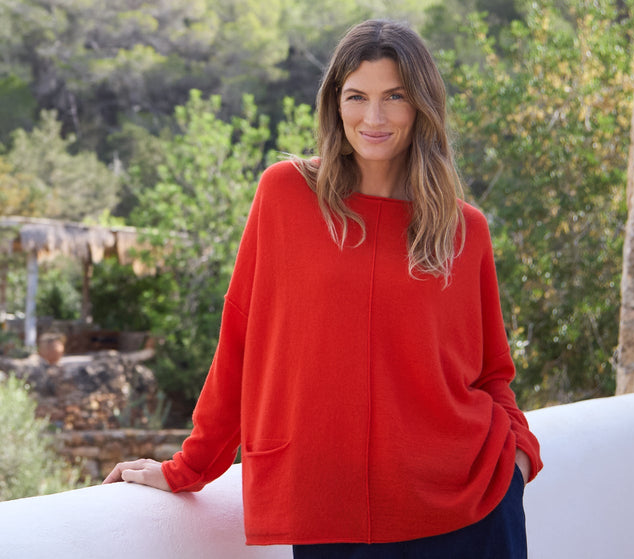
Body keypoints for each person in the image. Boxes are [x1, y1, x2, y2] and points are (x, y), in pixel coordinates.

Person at [104, 19, 542, 558]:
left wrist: (519, 458)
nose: (373, 117)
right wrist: (189, 467)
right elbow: (241, 341)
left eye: (395, 97)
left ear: (422, 106)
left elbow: (492, 372)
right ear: (335, 103)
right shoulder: (285, 195)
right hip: (328, 513)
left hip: (468, 511)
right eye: (357, 96)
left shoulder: (462, 227)